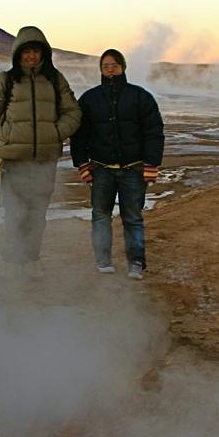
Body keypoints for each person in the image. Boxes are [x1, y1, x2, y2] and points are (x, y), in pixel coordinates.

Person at [0, 26, 81, 269]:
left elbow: (73, 112)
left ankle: (30, 259)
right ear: (17, 54)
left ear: (44, 53)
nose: (31, 56)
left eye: (36, 51)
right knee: (15, 213)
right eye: (26, 52)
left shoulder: (56, 80)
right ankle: (15, 261)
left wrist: (56, 133)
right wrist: (5, 142)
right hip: (14, 162)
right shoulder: (5, 80)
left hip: (45, 161)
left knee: (37, 214)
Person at [71, 49, 164, 280]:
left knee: (132, 217)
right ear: (100, 70)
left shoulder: (140, 96)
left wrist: (152, 164)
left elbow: (154, 132)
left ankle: (135, 262)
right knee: (100, 215)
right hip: (101, 168)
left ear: (122, 67)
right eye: (105, 66)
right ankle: (103, 261)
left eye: (114, 65)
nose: (110, 69)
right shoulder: (90, 99)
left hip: (134, 168)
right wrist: (82, 164)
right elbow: (79, 135)